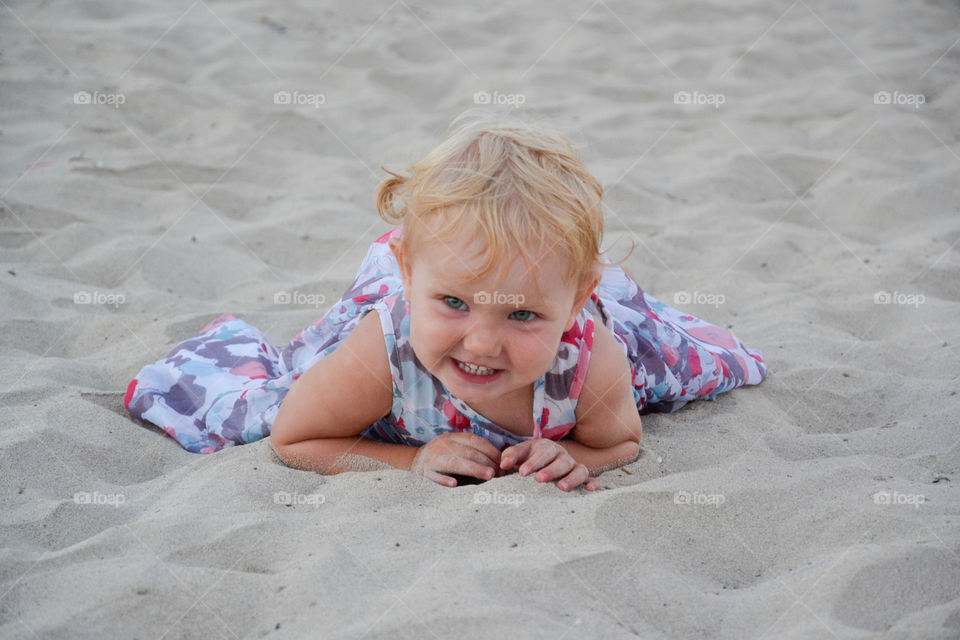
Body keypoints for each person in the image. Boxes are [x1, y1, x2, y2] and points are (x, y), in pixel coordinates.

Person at [124, 112, 767, 492]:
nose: (482, 343)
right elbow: (297, 438)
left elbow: (623, 442)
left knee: (681, 362)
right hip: (395, 319)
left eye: (521, 314)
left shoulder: (590, 360)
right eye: (455, 303)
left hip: (569, 306)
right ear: (409, 277)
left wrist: (573, 455)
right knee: (281, 391)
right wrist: (411, 457)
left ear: (573, 309)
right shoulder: (386, 348)